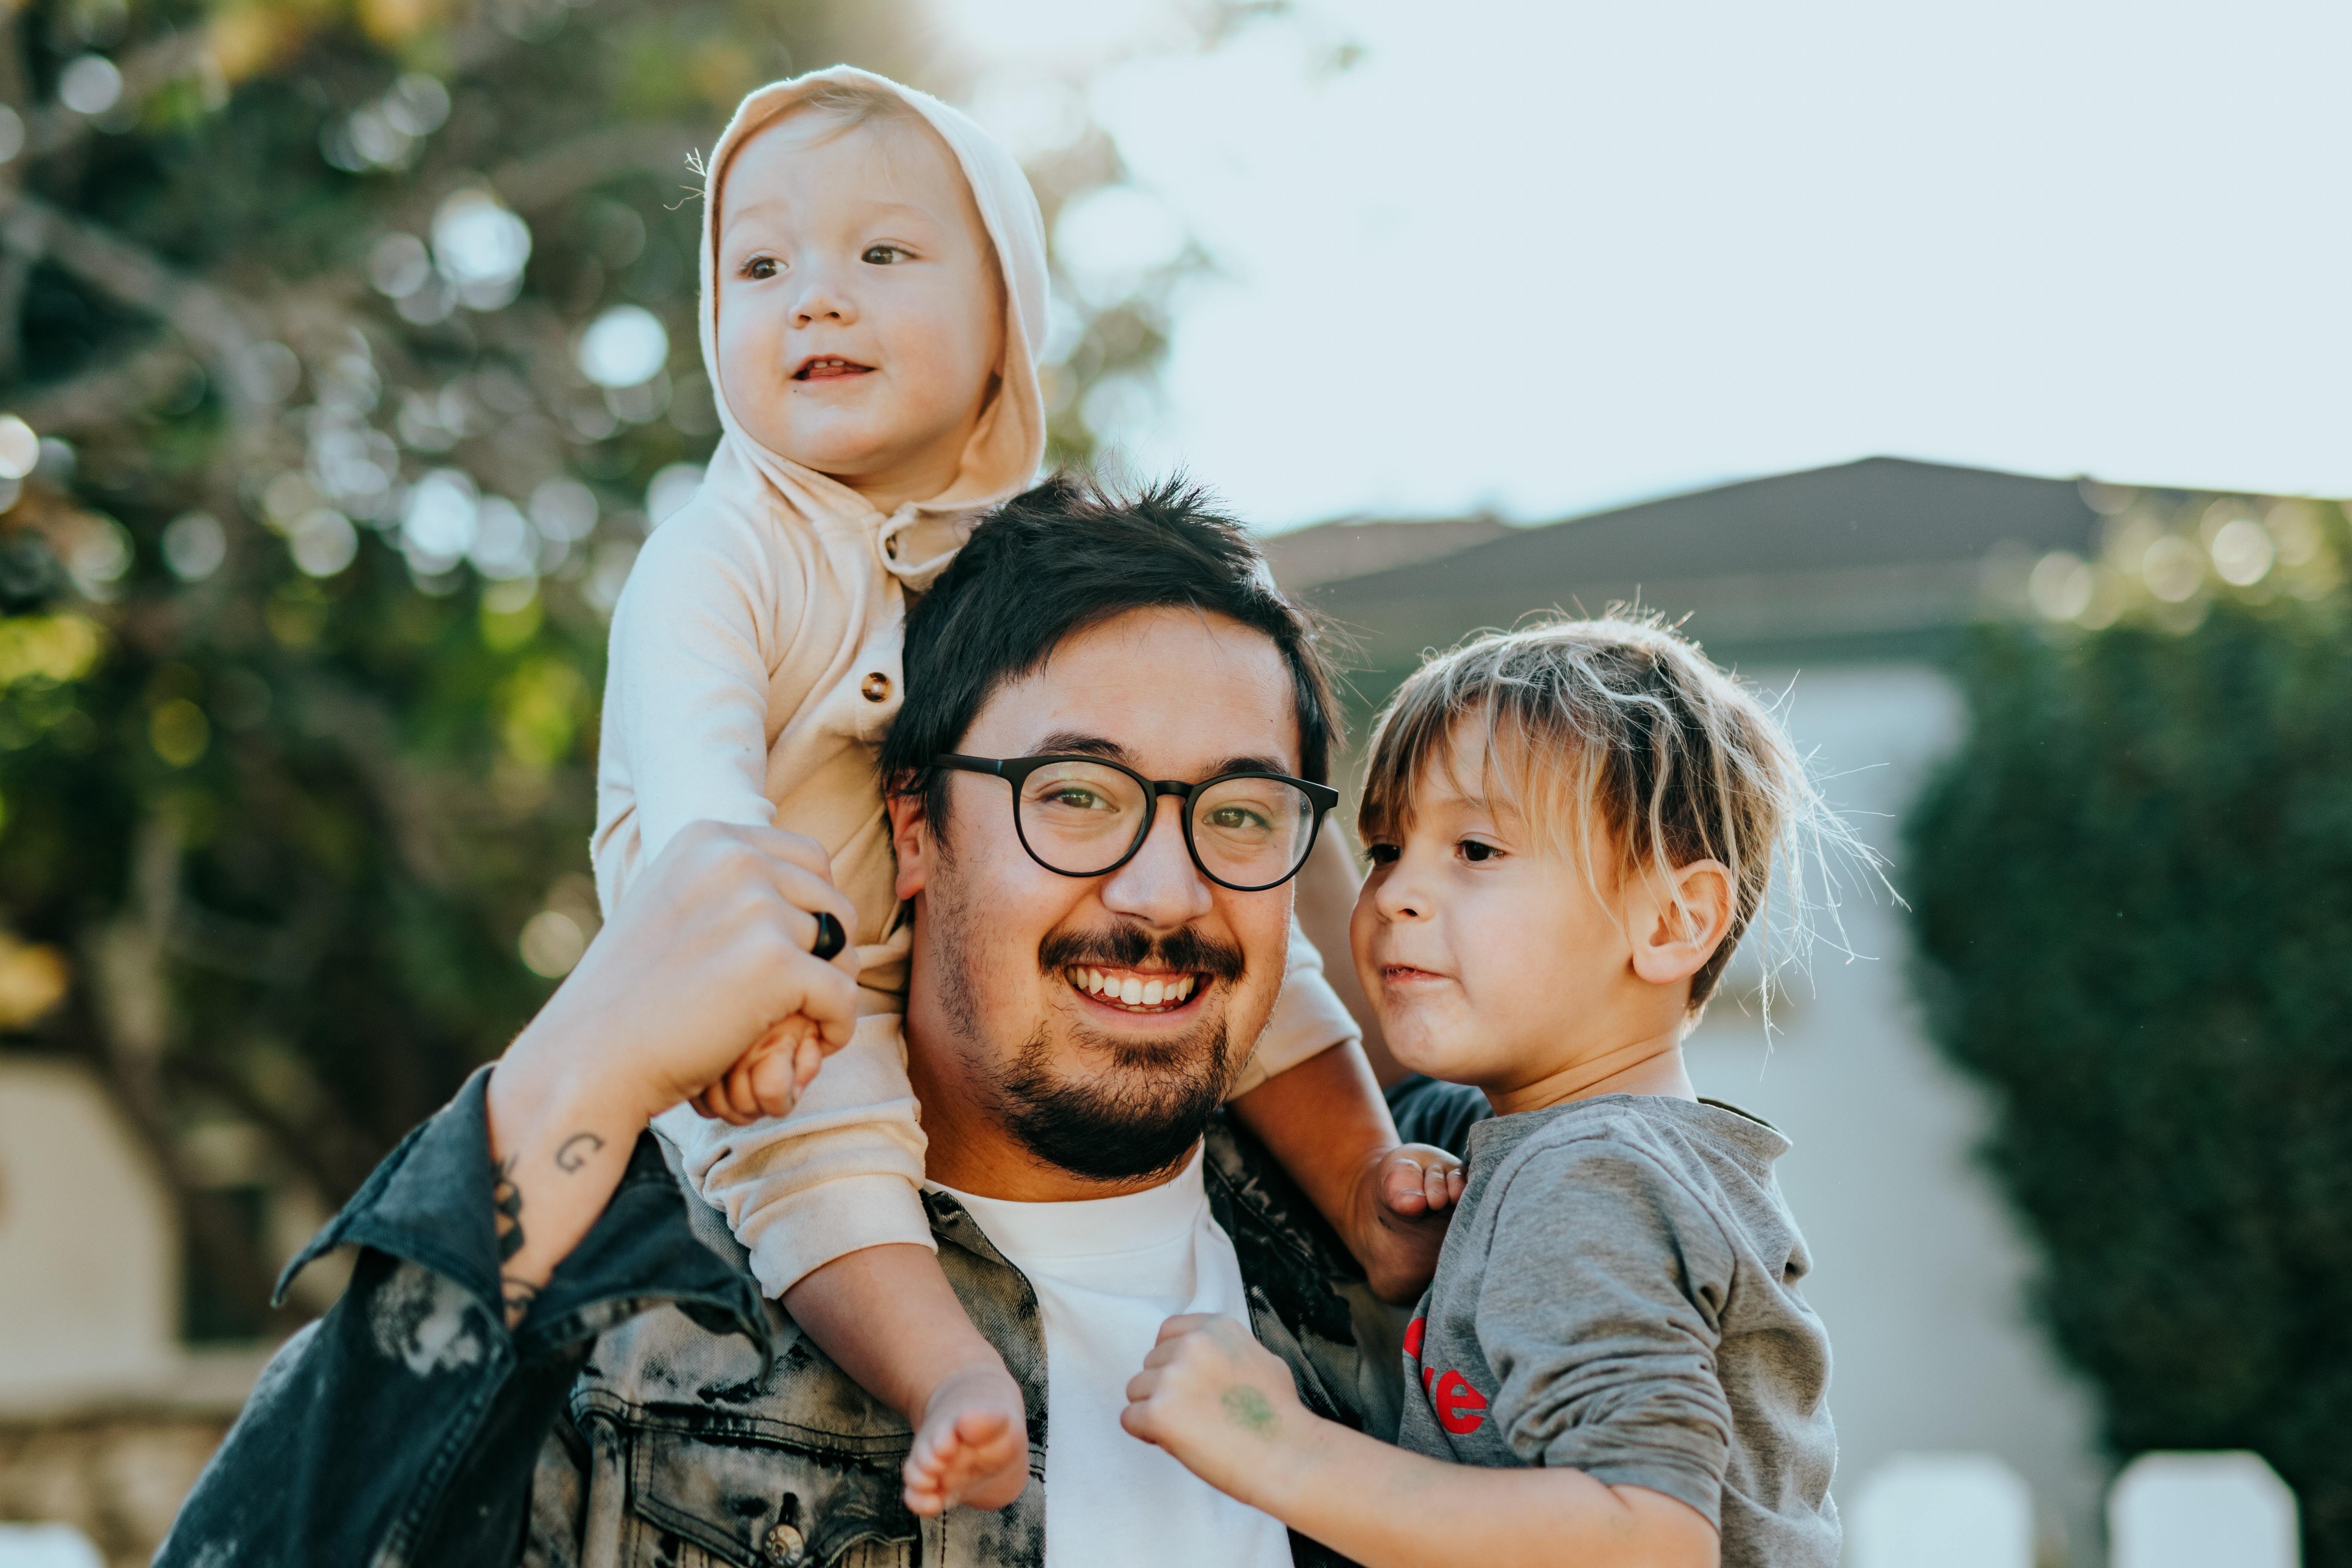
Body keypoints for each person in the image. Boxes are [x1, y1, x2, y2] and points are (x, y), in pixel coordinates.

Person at [158, 479, 1414, 1568]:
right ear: (914, 827)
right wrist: (578, 1062)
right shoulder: (641, 1317)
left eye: (1242, 813)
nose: (1165, 891)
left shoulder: (1445, 1262)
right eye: (1076, 795)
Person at [592, 66, 1455, 1517]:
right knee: (819, 1157)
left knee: (1267, 965)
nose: (814, 298)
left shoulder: (1025, 562)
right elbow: (699, 811)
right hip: (777, 993)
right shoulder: (721, 554)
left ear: (1006, 320)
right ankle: (946, 1374)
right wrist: (750, 991)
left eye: (881, 256)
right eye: (759, 267)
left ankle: (1367, 1193)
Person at [1123, 618, 1853, 1568]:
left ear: (1674, 921)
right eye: (1384, 849)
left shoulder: (1587, 1180)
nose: (1392, 896)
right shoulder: (1552, 1150)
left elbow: (1649, 1539)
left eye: (1474, 850)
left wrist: (1277, 1447)